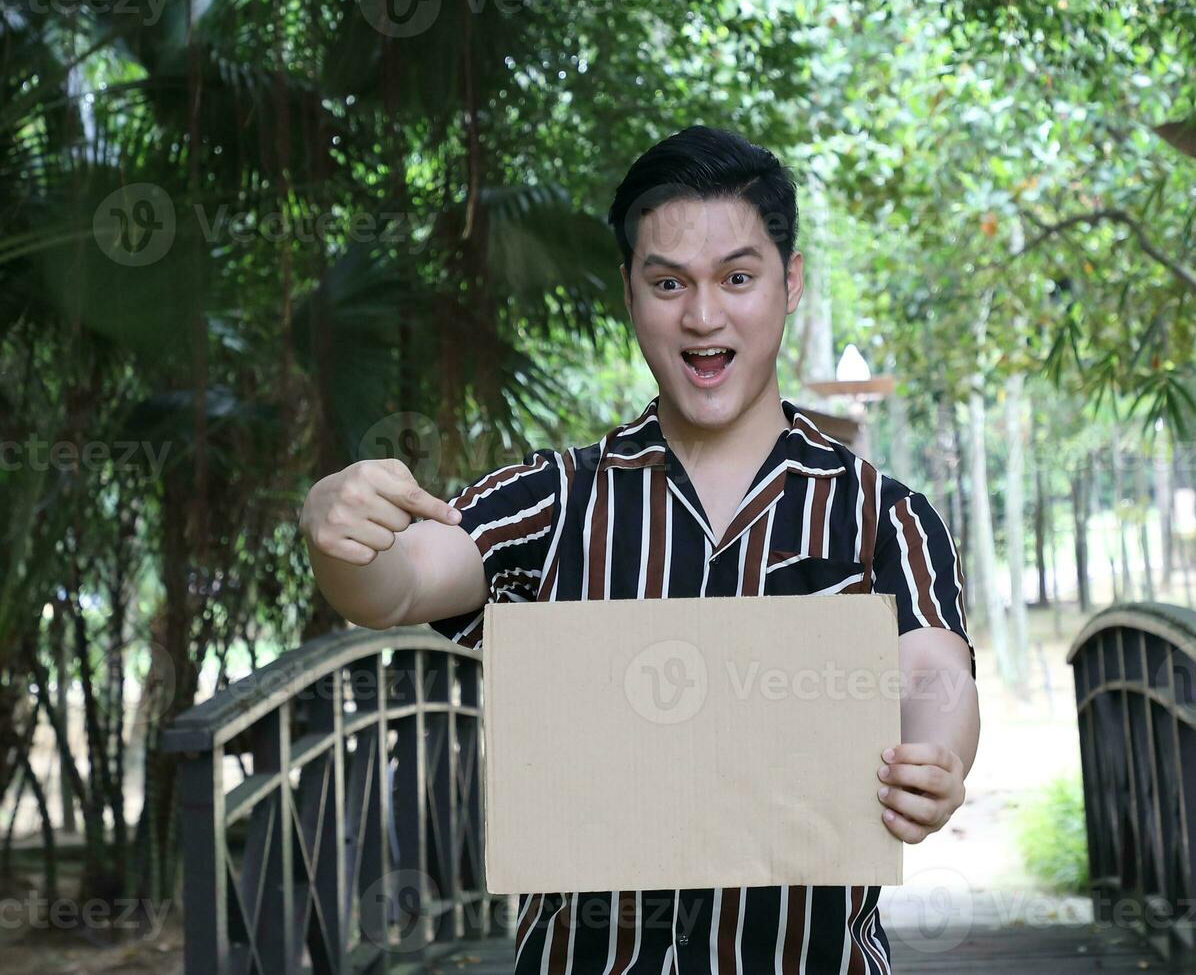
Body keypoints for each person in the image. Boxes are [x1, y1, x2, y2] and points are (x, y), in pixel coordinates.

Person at [301, 125, 980, 974]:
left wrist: (939, 757)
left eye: (738, 277)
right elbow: (393, 588)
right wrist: (338, 527)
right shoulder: (553, 501)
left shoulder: (885, 515)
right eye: (669, 283)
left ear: (790, 281)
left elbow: (933, 671)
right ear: (630, 290)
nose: (703, 317)